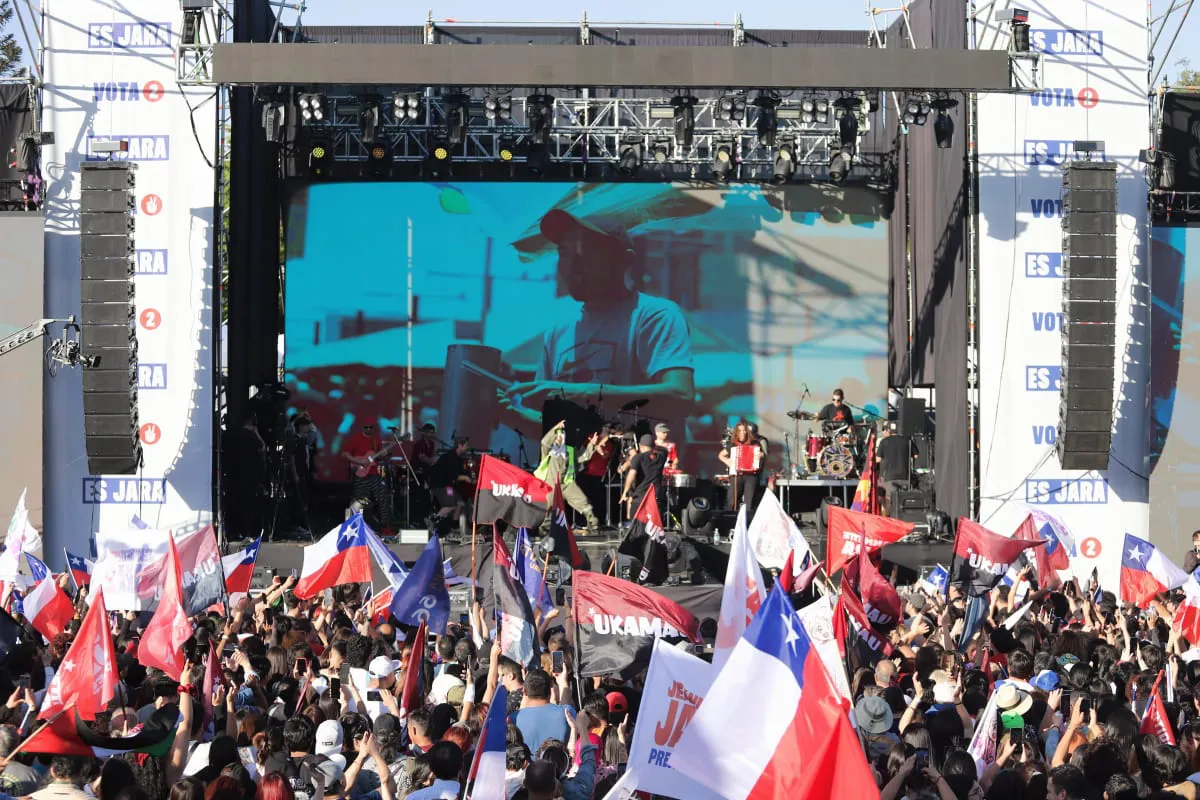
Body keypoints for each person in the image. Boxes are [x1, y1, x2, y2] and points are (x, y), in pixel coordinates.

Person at [498, 210, 695, 428]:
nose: (572, 265)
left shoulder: (655, 315)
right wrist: (509, 414)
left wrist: (581, 393)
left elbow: (680, 398)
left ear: (624, 259)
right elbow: (553, 429)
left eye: (586, 251)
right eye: (565, 252)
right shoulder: (558, 331)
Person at [534, 420, 599, 534]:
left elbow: (583, 457)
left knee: (583, 501)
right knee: (548, 506)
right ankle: (544, 528)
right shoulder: (549, 451)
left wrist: (591, 444)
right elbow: (544, 442)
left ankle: (593, 525)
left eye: (561, 436)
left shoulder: (569, 451)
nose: (559, 438)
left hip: (566, 483)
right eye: (557, 436)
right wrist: (555, 428)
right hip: (551, 484)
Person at [341, 420, 394, 535]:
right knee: (359, 501)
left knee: (383, 499)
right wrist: (359, 461)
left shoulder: (376, 440)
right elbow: (345, 454)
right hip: (361, 475)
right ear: (362, 427)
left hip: (374, 473)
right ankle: (353, 527)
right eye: (366, 427)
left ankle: (386, 529)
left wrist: (384, 454)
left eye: (371, 427)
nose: (369, 429)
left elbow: (378, 458)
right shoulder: (355, 438)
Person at [718, 421, 767, 514]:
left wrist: (761, 455)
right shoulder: (733, 444)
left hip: (751, 476)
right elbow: (721, 455)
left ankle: (748, 524)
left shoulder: (755, 444)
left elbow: (762, 455)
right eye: (740, 431)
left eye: (744, 430)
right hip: (737, 475)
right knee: (732, 501)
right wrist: (727, 461)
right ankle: (731, 523)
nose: (742, 433)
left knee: (749, 502)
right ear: (736, 433)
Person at [427, 438, 472, 538]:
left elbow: (460, 473)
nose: (467, 448)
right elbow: (452, 475)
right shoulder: (449, 457)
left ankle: (454, 528)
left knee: (459, 504)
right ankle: (434, 519)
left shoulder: (458, 459)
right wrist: (464, 478)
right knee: (451, 504)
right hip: (441, 485)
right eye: (466, 445)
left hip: (449, 486)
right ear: (459, 445)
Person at [620, 434, 668, 524]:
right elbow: (663, 449)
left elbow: (631, 474)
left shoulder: (638, 458)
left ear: (640, 445)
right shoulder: (662, 456)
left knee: (636, 524)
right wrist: (653, 447)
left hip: (641, 496)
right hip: (656, 496)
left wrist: (625, 492)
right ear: (653, 446)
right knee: (654, 526)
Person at [876, 422, 918, 517]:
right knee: (905, 501)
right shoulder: (907, 440)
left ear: (888, 431)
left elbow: (877, 459)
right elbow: (916, 455)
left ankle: (891, 523)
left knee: (891, 502)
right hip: (905, 476)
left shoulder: (884, 442)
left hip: (890, 477)